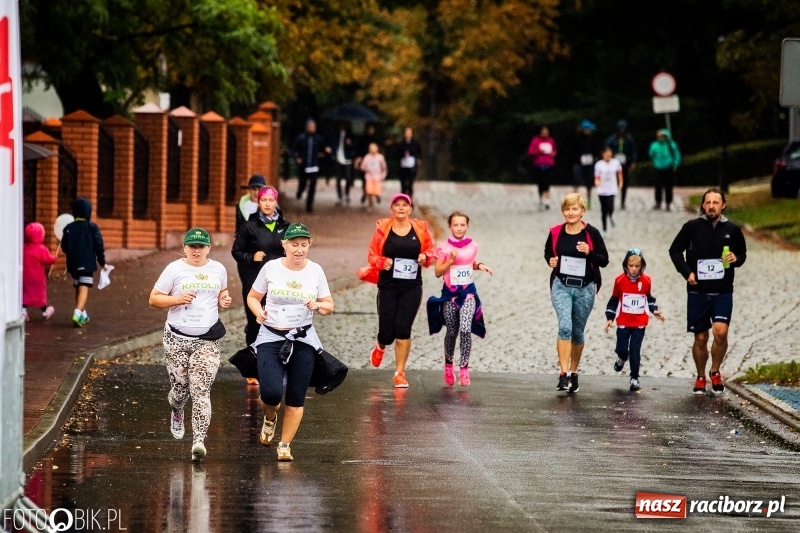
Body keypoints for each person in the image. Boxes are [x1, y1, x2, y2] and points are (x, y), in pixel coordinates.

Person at [246, 222, 335, 462]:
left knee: (296, 396)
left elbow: (329, 306)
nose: (299, 250)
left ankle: (284, 445)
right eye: (294, 244)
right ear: (284, 245)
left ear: (309, 246)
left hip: (303, 338)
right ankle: (270, 417)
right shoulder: (271, 268)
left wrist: (318, 305)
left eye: (304, 245)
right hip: (271, 336)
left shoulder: (315, 270)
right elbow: (253, 297)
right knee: (271, 394)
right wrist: (258, 311)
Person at [148, 228, 232, 461]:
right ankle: (176, 409)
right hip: (176, 338)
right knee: (180, 389)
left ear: (208, 248)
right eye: (192, 246)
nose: (197, 251)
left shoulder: (218, 269)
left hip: (206, 339)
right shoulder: (174, 270)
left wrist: (223, 298)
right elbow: (153, 299)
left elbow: (222, 291)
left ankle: (199, 440)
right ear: (184, 248)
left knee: (201, 389)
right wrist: (177, 299)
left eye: (201, 246)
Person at [668, 188, 746, 395]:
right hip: (697, 291)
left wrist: (735, 259)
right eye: (708, 202)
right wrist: (687, 272)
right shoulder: (692, 227)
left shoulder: (732, 229)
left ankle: (715, 371)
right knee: (701, 337)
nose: (711, 206)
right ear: (703, 205)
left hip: (722, 290)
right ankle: (701, 375)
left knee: (721, 332)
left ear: (723, 205)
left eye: (716, 202)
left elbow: (742, 254)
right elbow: (674, 250)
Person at [357, 193, 434, 388]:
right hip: (388, 285)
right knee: (387, 332)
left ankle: (400, 372)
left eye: (404, 205)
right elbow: (372, 255)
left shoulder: (421, 229)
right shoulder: (383, 229)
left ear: (410, 209)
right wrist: (382, 262)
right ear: (391, 209)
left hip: (412, 286)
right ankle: (381, 345)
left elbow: (431, 252)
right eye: (397, 205)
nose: (401, 208)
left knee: (403, 328)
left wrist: (426, 256)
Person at [544, 193, 609, 393]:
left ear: (582, 212)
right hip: (561, 285)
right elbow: (548, 252)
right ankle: (563, 374)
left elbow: (604, 260)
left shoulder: (592, 233)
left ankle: (573, 372)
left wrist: (590, 252)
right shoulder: (555, 232)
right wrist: (550, 261)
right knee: (565, 326)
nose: (570, 213)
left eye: (575, 209)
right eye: (567, 209)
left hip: (585, 287)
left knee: (577, 332)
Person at [427, 211, 492, 386]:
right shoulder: (442, 247)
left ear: (467, 226)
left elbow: (470, 263)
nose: (459, 228)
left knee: (465, 328)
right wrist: (450, 260)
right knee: (452, 331)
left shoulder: (473, 246)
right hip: (449, 294)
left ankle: (464, 367)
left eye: (462, 225)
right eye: (455, 225)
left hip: (468, 293)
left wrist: (480, 265)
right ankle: (448, 364)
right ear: (450, 226)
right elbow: (438, 272)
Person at [232, 185, 291, 347]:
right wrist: (251, 257)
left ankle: (275, 356)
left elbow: (294, 252)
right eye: (263, 200)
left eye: (271, 200)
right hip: (255, 280)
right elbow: (236, 251)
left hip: (278, 282)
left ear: (276, 202)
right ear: (258, 202)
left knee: (277, 320)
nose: (267, 204)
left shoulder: (285, 227)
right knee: (255, 321)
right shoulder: (249, 226)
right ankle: (253, 357)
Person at [604, 249, 665, 391]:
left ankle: (634, 378)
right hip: (624, 322)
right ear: (625, 266)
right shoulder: (619, 281)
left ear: (642, 266)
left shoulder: (646, 281)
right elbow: (614, 300)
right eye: (631, 266)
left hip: (639, 322)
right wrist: (610, 318)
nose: (634, 269)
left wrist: (654, 310)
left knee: (635, 349)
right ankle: (621, 358)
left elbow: (648, 298)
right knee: (622, 349)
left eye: (637, 266)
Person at [60, 198, 109, 327]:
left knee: (78, 286)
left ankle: (83, 314)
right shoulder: (92, 227)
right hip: (86, 262)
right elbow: (99, 246)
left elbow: (64, 246)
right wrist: (102, 262)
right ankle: (77, 312)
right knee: (84, 286)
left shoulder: (68, 228)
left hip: (73, 263)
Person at [291, 119, 330, 213]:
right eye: (310, 126)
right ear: (307, 127)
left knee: (312, 185)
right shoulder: (301, 138)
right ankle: (300, 191)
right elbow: (294, 150)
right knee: (303, 183)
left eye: (313, 126)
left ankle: (309, 206)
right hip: (303, 166)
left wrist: (326, 151)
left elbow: (324, 150)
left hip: (314, 166)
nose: (311, 128)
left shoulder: (318, 138)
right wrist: (297, 158)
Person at [22, 222, 57, 321]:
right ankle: (44, 311)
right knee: (40, 294)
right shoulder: (41, 249)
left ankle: (23, 310)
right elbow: (48, 259)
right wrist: (54, 258)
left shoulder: (24, 247)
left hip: (25, 276)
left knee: (25, 293)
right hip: (37, 277)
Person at [604, 119, 638, 210]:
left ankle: (623, 201)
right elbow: (606, 149)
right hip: (613, 164)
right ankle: (611, 200)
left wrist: (633, 162)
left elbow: (633, 152)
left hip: (625, 164)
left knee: (624, 182)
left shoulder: (629, 140)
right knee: (612, 182)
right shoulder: (611, 140)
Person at [649, 128, 681, 211]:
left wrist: (675, 164)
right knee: (658, 186)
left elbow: (677, 155)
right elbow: (651, 154)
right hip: (657, 168)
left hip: (668, 168)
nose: (660, 137)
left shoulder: (671, 144)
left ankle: (668, 203)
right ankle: (658, 202)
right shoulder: (654, 145)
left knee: (668, 186)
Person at [594, 146, 623, 235]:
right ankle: (604, 229)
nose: (608, 156)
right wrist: (597, 182)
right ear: (603, 154)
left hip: (611, 189)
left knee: (610, 206)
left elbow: (619, 173)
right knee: (603, 210)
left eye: (609, 155)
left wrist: (620, 183)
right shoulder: (599, 164)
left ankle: (611, 215)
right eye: (606, 155)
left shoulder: (616, 162)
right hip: (602, 190)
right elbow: (596, 177)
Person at [527, 125, 557, 210]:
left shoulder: (551, 140)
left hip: (549, 163)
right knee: (540, 182)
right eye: (543, 131)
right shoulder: (536, 140)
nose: (545, 133)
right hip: (539, 164)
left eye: (546, 131)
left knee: (547, 181)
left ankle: (546, 199)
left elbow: (554, 150)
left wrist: (553, 153)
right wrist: (539, 151)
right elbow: (530, 151)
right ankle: (541, 199)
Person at [573, 120, 599, 208]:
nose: (586, 131)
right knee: (577, 181)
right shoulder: (577, 138)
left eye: (588, 129)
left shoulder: (594, 139)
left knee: (589, 182)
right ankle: (575, 201)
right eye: (584, 129)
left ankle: (589, 200)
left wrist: (595, 158)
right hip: (579, 162)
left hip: (590, 163)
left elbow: (596, 150)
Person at [329, 122, 356, 205]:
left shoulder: (350, 135)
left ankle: (347, 194)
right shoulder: (335, 134)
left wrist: (350, 143)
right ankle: (339, 197)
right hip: (338, 158)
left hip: (347, 158)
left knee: (348, 177)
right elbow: (332, 144)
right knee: (338, 178)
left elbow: (354, 146)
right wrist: (333, 153)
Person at [355, 123, 381, 205]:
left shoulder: (376, 139)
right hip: (365, 162)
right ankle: (365, 194)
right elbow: (359, 150)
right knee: (365, 180)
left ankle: (376, 194)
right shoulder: (363, 139)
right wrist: (359, 159)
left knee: (375, 181)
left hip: (375, 164)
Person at [359, 142, 388, 212]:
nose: (373, 150)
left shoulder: (380, 157)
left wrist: (383, 175)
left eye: (374, 148)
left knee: (376, 192)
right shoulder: (367, 157)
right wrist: (365, 168)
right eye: (371, 149)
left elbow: (384, 167)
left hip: (377, 177)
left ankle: (378, 196)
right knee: (369, 192)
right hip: (369, 177)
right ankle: (370, 205)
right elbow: (362, 167)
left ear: (377, 149)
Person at [395, 127, 422, 198]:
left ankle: (410, 199)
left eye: (409, 133)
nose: (408, 135)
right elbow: (397, 154)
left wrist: (418, 158)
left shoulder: (415, 143)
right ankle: (404, 199)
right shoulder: (400, 144)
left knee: (410, 183)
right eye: (406, 133)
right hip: (402, 166)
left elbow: (419, 152)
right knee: (403, 184)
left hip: (412, 166)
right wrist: (403, 154)